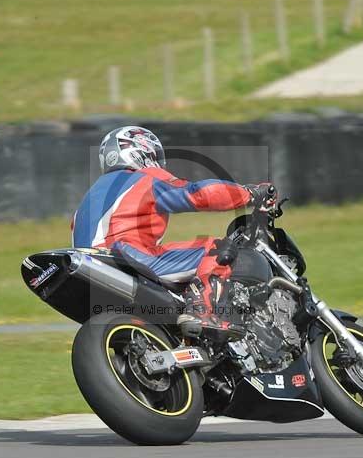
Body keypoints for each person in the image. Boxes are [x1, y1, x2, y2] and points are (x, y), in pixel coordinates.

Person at [71, 126, 275, 342]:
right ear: (142, 150)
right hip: (125, 255)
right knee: (215, 248)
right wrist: (250, 193)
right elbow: (198, 195)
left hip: (94, 270)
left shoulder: (87, 199)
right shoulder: (143, 177)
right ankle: (203, 312)